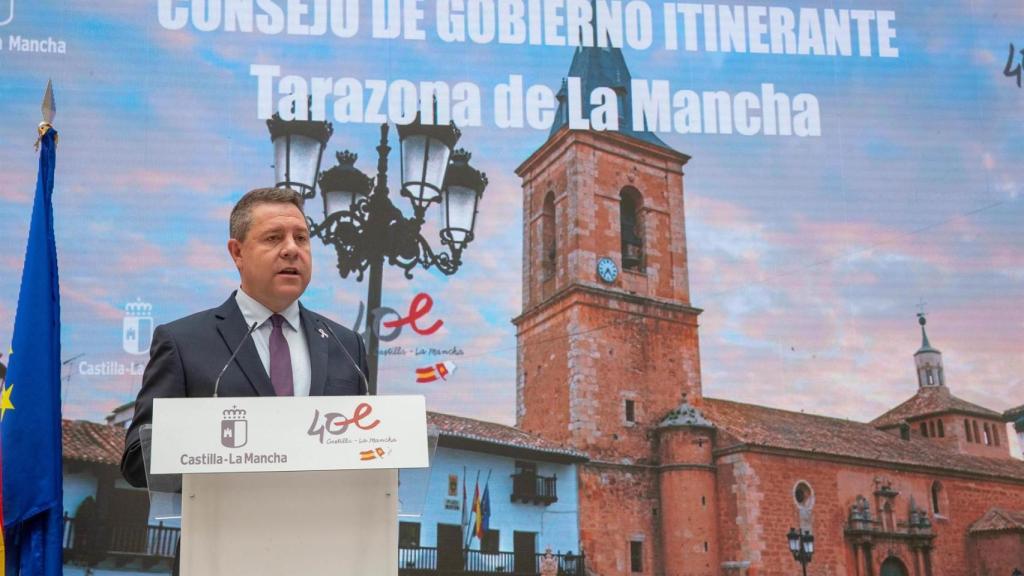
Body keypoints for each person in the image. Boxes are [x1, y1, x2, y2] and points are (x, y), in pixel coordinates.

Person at [120, 187, 368, 487]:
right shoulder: (183, 342)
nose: (292, 249)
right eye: (274, 238)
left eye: (301, 238)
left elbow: (366, 449)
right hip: (219, 528)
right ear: (238, 253)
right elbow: (137, 459)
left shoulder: (346, 345)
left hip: (321, 530)